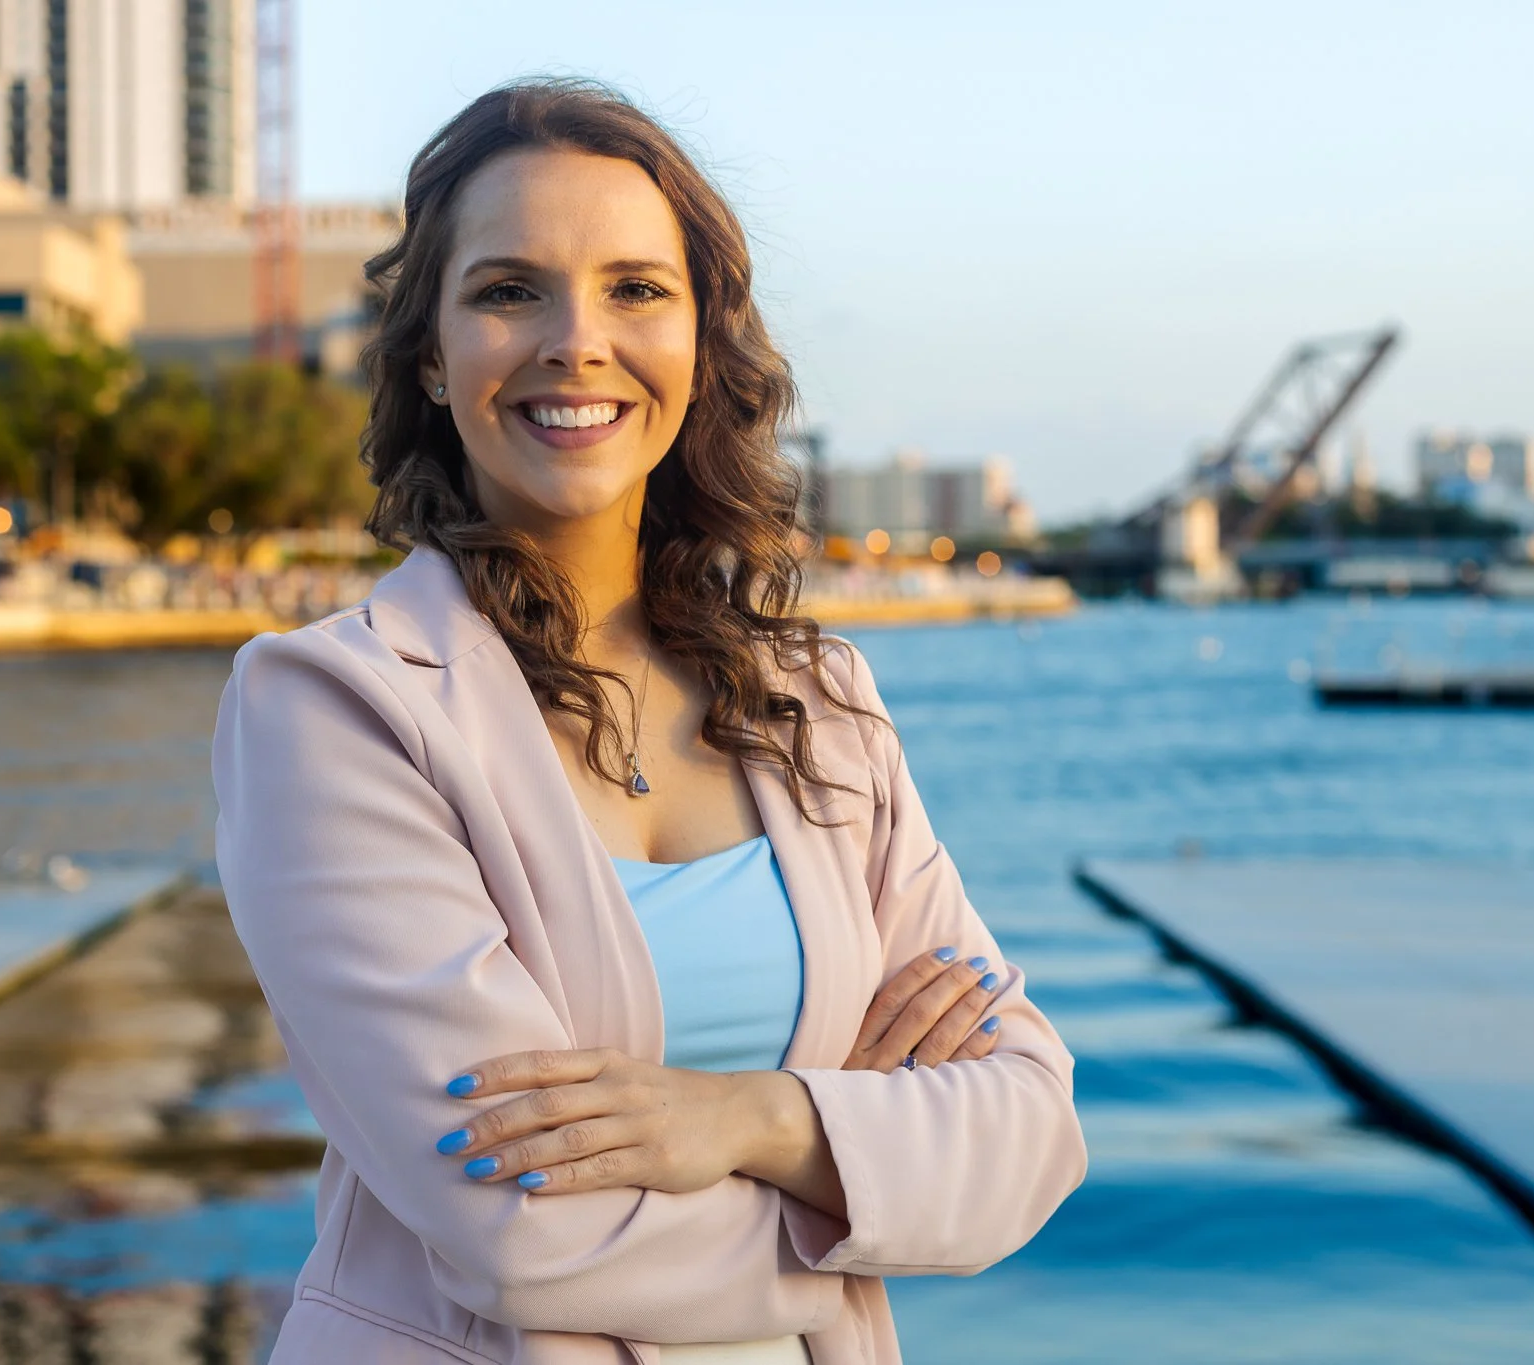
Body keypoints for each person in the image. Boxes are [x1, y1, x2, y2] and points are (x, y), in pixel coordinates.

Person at [211, 78, 1086, 1365]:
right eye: (510, 291)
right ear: (429, 364)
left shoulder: (818, 701)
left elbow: (1028, 1133)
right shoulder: (337, 709)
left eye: (636, 288)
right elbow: (518, 1233)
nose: (578, 340)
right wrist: (867, 1193)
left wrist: (748, 1122)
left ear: (699, 349)